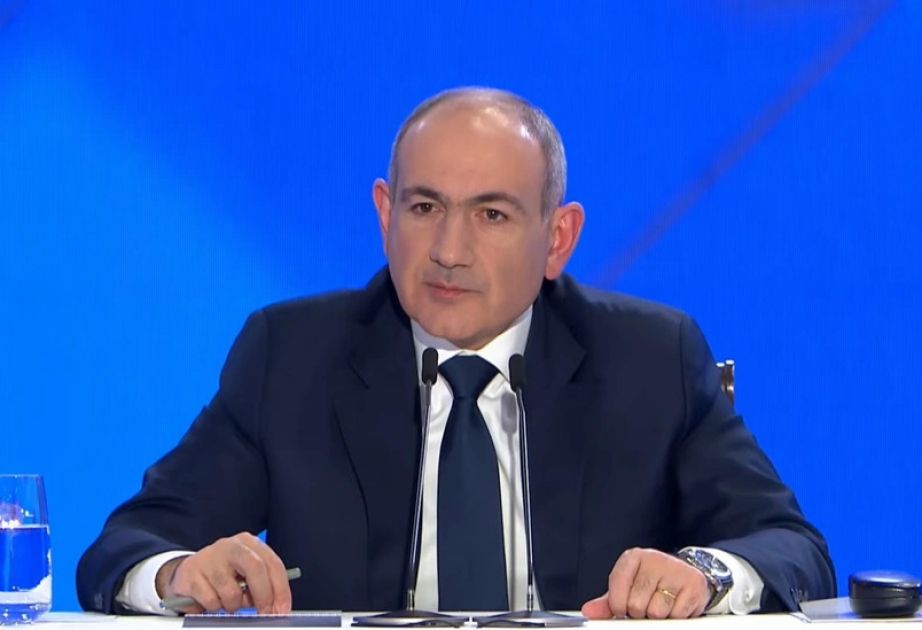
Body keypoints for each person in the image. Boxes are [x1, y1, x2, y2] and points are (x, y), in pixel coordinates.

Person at [77, 87, 836, 620]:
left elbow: (793, 549)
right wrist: (180, 575)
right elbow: (124, 550)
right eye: (424, 206)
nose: (448, 249)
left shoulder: (650, 358)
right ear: (385, 214)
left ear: (558, 239)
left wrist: (702, 575)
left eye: (492, 215)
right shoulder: (293, 355)